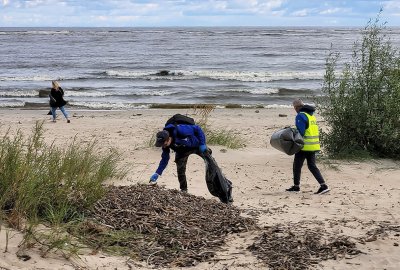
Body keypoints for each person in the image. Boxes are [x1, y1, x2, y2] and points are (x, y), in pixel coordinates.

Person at [150, 120, 208, 193]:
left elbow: (197, 128)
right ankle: (184, 190)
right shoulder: (165, 145)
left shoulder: (181, 130)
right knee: (180, 171)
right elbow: (165, 159)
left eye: (164, 144)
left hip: (197, 146)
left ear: (168, 139)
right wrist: (157, 173)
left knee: (210, 162)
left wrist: (202, 144)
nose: (163, 146)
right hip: (182, 151)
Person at [286, 99, 330, 194]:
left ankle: (296, 187)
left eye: (294, 108)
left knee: (297, 166)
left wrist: (292, 132)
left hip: (304, 146)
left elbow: (301, 132)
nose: (294, 109)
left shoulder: (300, 116)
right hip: (313, 146)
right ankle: (323, 185)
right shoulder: (311, 116)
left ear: (297, 107)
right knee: (312, 166)